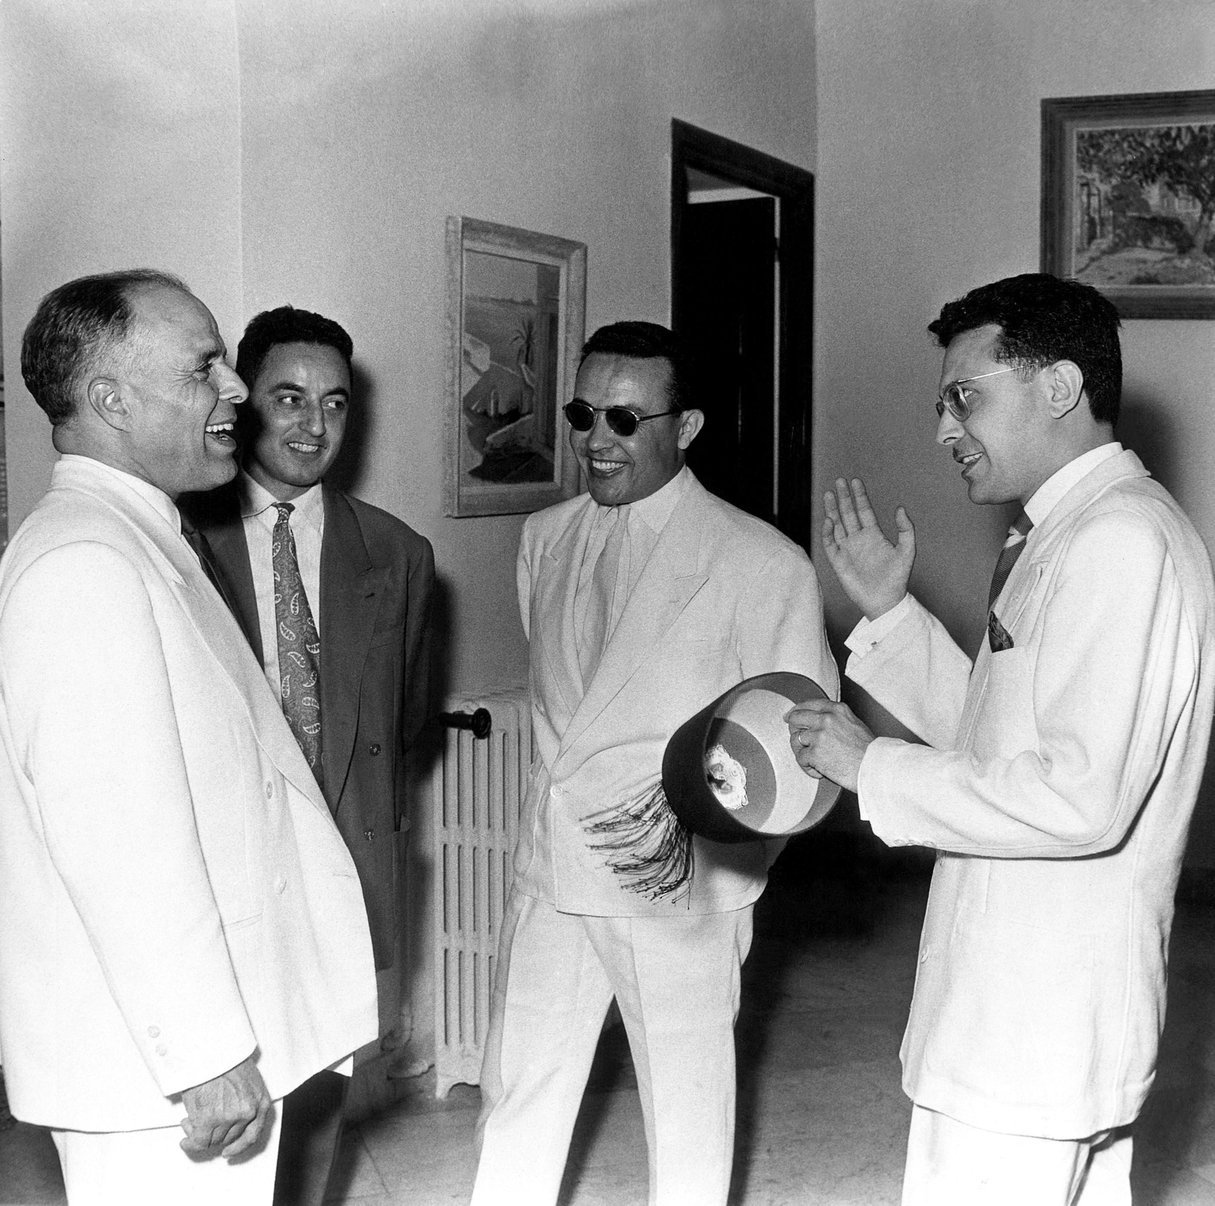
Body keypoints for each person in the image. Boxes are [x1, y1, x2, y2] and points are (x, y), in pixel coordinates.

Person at [787, 273, 1215, 1205]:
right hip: (1029, 1021)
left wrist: (869, 766)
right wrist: (891, 615)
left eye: (964, 398)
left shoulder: (1118, 542)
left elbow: (1074, 799)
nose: (944, 429)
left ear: (1059, 388)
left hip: (1032, 1027)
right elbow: (999, 738)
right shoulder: (1067, 534)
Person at [0, 270, 378, 1205]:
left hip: (184, 1055)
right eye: (203, 366)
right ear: (109, 400)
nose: (236, 389)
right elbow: (118, 843)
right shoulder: (87, 561)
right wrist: (206, 1055)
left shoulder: (135, 536)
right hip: (161, 1079)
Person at [470, 321, 837, 1206]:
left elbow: (806, 751)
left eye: (627, 421)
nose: (598, 440)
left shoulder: (759, 561)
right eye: (583, 414)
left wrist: (716, 859)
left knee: (684, 1107)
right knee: (519, 1087)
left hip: (677, 882)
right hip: (553, 867)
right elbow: (565, 703)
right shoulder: (546, 537)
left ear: (689, 427)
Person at [182, 304, 435, 1206]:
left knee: (322, 1095)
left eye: (333, 403)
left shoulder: (398, 555)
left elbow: (398, 726)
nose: (312, 425)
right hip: (224, 872)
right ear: (244, 401)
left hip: (341, 867)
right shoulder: (176, 541)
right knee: (224, 1118)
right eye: (288, 398)